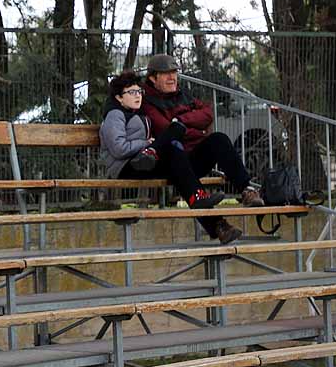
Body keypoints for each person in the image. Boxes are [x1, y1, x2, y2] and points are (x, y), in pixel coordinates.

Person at [140, 54, 266, 243]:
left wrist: (181, 120)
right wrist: (189, 126)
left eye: (174, 72)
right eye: (166, 74)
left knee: (219, 139)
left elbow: (207, 114)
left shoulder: (182, 95)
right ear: (152, 77)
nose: (172, 77)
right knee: (177, 158)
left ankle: (247, 190)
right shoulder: (147, 102)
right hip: (169, 162)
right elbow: (167, 130)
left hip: (191, 156)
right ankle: (219, 225)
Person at [101, 70, 234, 240]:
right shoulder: (115, 114)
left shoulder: (137, 113)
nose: (138, 96)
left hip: (144, 162)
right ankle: (211, 216)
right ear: (119, 97)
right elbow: (119, 148)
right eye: (131, 92)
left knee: (177, 155)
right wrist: (146, 144)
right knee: (174, 143)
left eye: (139, 92)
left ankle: (218, 225)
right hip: (125, 167)